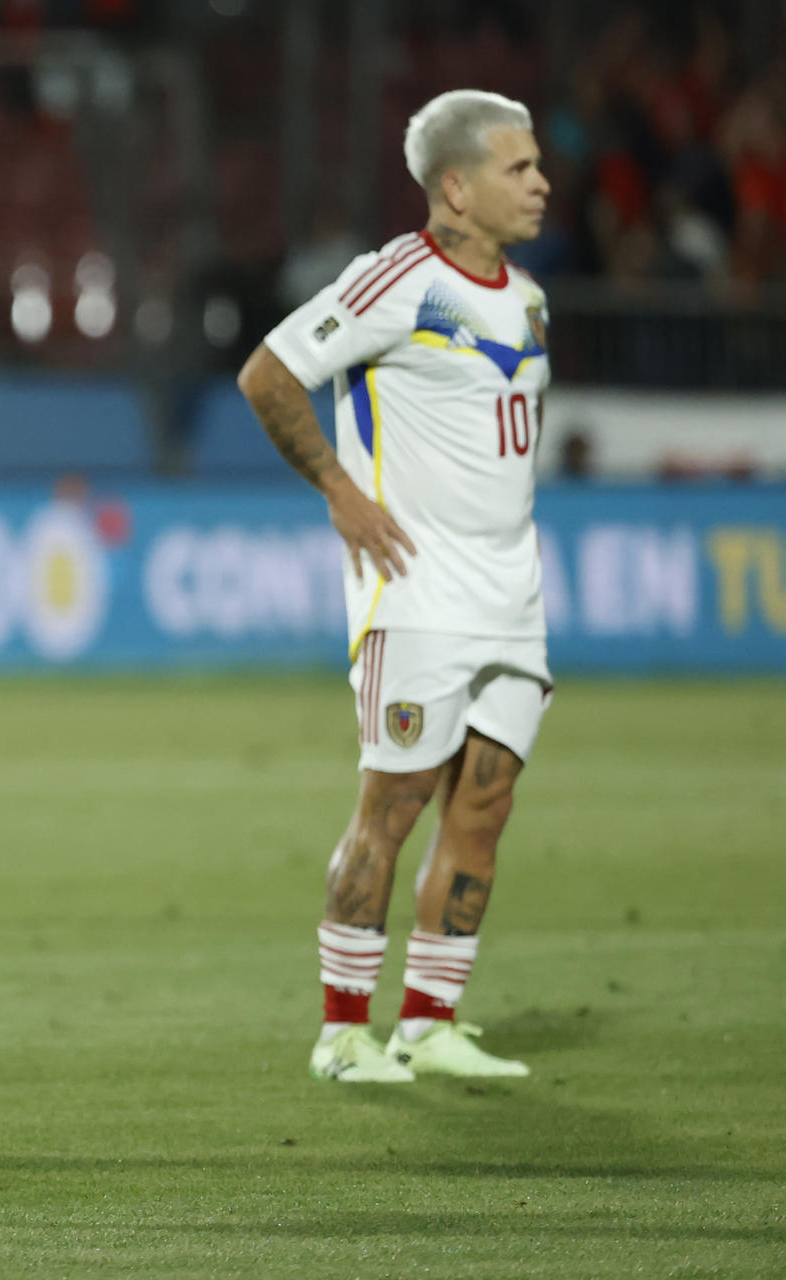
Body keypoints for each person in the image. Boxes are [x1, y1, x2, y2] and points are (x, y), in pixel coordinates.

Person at [236, 89, 553, 1084]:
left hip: (513, 595)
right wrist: (337, 487)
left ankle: (432, 1019)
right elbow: (268, 374)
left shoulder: (530, 299)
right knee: (394, 804)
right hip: (416, 594)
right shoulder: (394, 280)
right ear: (455, 188)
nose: (542, 182)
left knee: (486, 806)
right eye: (519, 167)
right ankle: (342, 1031)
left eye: (538, 164)